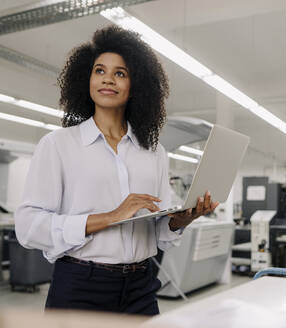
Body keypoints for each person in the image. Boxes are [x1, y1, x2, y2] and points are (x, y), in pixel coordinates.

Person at [14, 25, 218, 315]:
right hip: (81, 286)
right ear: (86, 78)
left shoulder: (154, 152)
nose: (108, 79)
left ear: (136, 85)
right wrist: (109, 217)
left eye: (120, 73)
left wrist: (183, 218)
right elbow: (28, 226)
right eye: (100, 70)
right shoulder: (58, 145)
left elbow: (160, 230)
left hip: (141, 286)